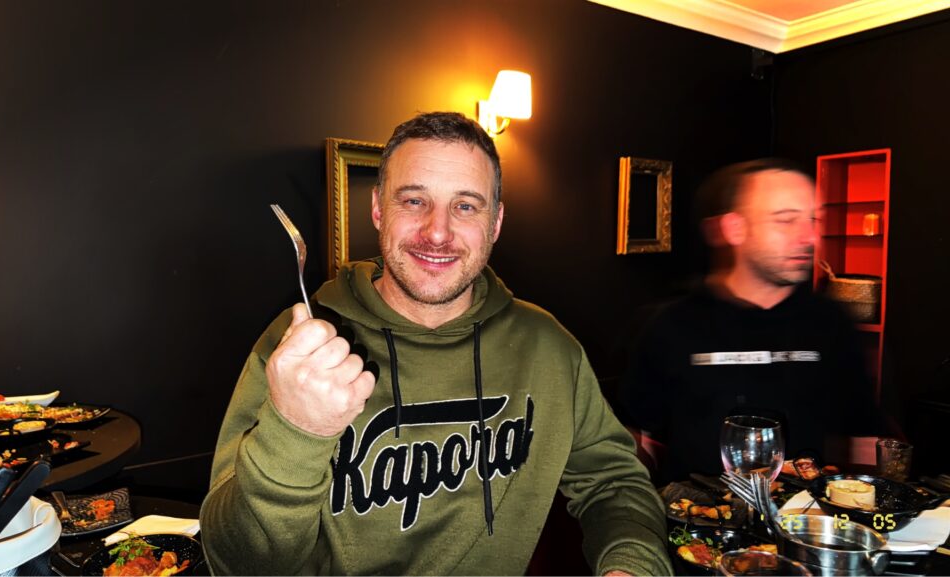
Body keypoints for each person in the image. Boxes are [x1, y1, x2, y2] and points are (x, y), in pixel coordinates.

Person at [200, 112, 671, 575]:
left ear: (495, 222)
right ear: (378, 209)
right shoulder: (299, 348)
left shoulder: (547, 347)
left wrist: (633, 565)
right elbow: (236, 565)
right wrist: (296, 430)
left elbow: (614, 483)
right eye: (414, 201)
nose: (438, 232)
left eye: (465, 206)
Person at [620, 158, 884, 484]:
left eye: (813, 219)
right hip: (695, 513)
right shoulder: (670, 326)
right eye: (786, 220)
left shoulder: (831, 324)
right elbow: (631, 439)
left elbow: (863, 436)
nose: (810, 236)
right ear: (735, 229)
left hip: (804, 513)